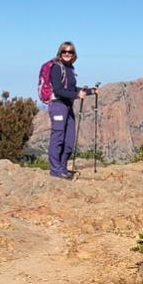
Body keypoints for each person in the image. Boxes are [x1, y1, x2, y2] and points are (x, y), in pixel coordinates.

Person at [48, 41, 96, 180]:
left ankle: (62, 167)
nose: (67, 54)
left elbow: (72, 89)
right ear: (60, 53)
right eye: (64, 51)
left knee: (69, 140)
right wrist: (76, 95)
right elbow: (58, 90)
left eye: (70, 52)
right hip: (58, 105)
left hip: (67, 106)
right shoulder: (56, 68)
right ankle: (55, 169)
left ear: (74, 54)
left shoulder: (70, 68)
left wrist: (89, 91)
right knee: (57, 138)